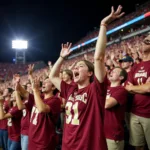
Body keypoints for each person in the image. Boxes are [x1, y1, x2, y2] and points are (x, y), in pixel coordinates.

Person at [50, 5, 124, 150]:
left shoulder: (95, 90)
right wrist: (61, 58)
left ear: (90, 73)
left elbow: (99, 58)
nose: (76, 68)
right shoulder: (70, 89)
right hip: (68, 145)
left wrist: (103, 25)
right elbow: (52, 76)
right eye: (75, 66)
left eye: (81, 66)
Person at [15, 65, 61, 150]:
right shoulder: (40, 97)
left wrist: (35, 90)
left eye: (47, 82)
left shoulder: (55, 100)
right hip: (32, 139)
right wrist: (17, 84)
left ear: (53, 87)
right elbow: (25, 93)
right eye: (43, 82)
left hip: (43, 142)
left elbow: (42, 109)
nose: (43, 83)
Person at [125, 34, 150, 150]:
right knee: (138, 147)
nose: (143, 42)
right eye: (143, 40)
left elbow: (148, 88)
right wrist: (143, 87)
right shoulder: (136, 66)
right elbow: (127, 87)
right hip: (135, 113)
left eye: (147, 41)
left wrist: (135, 88)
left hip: (149, 114)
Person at [104, 67, 128, 150]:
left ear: (121, 78)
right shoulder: (105, 88)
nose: (111, 72)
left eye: (114, 72)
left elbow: (107, 104)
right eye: (111, 71)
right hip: (101, 131)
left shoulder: (122, 90)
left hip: (113, 133)